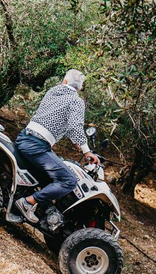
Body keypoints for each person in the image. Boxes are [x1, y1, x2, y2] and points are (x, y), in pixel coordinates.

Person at [14, 69, 100, 223]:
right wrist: (87, 151)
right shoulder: (76, 101)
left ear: (65, 81)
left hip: (24, 137)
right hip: (37, 145)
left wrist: (77, 142)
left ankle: (41, 208)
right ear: (79, 88)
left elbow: (58, 120)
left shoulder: (53, 91)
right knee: (69, 180)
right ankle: (27, 202)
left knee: (49, 175)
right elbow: (74, 127)